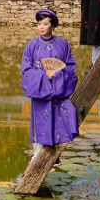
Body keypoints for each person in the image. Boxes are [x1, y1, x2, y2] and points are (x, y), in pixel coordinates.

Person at [21, 9, 79, 157]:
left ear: (52, 25)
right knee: (40, 125)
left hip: (58, 93)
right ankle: (37, 156)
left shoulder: (63, 44)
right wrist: (42, 75)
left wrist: (57, 74)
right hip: (40, 94)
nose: (41, 27)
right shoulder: (31, 46)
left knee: (58, 123)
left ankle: (54, 154)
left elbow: (71, 68)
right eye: (39, 24)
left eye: (45, 24)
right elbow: (26, 71)